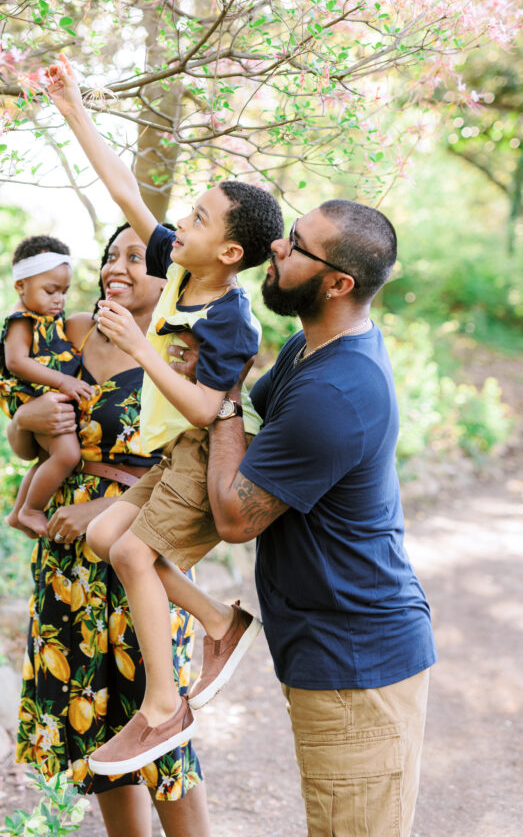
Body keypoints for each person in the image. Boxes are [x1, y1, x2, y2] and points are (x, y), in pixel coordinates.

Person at [44, 55, 284, 775]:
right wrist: (73, 108)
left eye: (199, 218)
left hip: (202, 456)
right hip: (170, 455)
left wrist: (139, 350)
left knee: (123, 550)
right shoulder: (178, 264)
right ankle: (218, 620)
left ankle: (161, 706)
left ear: (231, 251)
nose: (181, 223)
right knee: (105, 542)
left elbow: (212, 407)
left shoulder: (230, 319)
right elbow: (124, 189)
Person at [197, 199, 437, 837]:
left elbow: (234, 516)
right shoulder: (313, 345)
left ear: (339, 283)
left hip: (357, 661)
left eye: (297, 244)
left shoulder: (336, 390)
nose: (276, 245)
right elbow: (252, 427)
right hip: (327, 649)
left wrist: (218, 399)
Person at [7, 224, 212, 837]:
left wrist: (102, 506)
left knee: (156, 717)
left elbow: (194, 461)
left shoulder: (181, 350)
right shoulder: (65, 334)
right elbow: (30, 447)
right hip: (65, 559)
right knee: (94, 717)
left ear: (171, 274)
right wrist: (23, 417)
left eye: (137, 257)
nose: (117, 267)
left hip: (144, 546)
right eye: (110, 256)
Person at [0, 235, 93, 536]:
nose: (59, 299)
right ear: (21, 286)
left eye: (64, 291)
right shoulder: (21, 319)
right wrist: (63, 380)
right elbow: (17, 362)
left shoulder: (49, 317)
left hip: (47, 396)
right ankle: (31, 509)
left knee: (48, 458)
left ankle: (17, 513)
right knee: (67, 456)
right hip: (33, 396)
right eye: (50, 290)